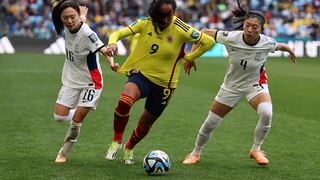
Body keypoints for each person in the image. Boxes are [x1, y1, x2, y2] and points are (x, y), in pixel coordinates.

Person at [182, 1, 296, 166]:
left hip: (255, 85)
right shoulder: (231, 37)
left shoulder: (267, 42)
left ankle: (256, 149)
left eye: (254, 27)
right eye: (247, 25)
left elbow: (280, 46)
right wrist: (192, 56)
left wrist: (290, 50)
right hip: (231, 86)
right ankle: (195, 153)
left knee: (267, 113)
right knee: (211, 122)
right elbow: (203, 32)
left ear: (261, 29)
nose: (249, 30)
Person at [104, 0, 215, 165]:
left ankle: (129, 147)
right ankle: (116, 140)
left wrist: (189, 57)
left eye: (169, 14)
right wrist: (112, 43)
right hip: (142, 75)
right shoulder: (145, 23)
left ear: (174, 12)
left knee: (145, 124)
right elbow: (117, 34)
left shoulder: (181, 28)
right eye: (161, 15)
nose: (165, 19)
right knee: (124, 100)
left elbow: (209, 41)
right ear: (154, 14)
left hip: (165, 85)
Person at [51, 0, 119, 163]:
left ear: (77, 17)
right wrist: (81, 16)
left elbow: (103, 50)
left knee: (75, 123)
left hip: (91, 82)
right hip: (71, 80)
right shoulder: (66, 26)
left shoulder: (87, 33)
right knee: (59, 117)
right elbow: (69, 16)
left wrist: (111, 63)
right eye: (65, 18)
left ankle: (63, 153)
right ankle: (81, 112)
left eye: (72, 17)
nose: (69, 21)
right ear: (61, 18)